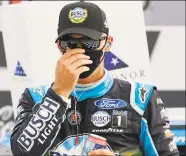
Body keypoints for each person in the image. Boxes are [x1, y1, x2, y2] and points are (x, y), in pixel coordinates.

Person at [10, 1, 179, 156]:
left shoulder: (140, 98)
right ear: (58, 45)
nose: (78, 50)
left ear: (108, 43)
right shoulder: (35, 97)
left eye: (89, 42)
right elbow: (21, 152)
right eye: (68, 43)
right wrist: (58, 94)